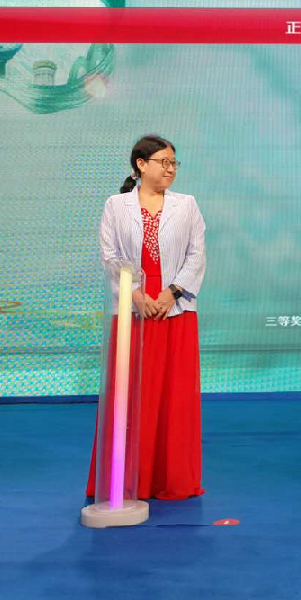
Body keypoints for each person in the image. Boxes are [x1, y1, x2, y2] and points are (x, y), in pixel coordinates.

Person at [87, 134, 207, 500]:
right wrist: (137, 297)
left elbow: (196, 255)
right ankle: (125, 479)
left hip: (175, 310)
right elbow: (110, 256)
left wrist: (170, 294)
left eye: (174, 163)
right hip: (132, 310)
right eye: (163, 162)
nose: (170, 169)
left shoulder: (187, 204)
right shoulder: (116, 205)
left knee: (175, 397)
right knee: (129, 396)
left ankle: (171, 479)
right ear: (141, 165)